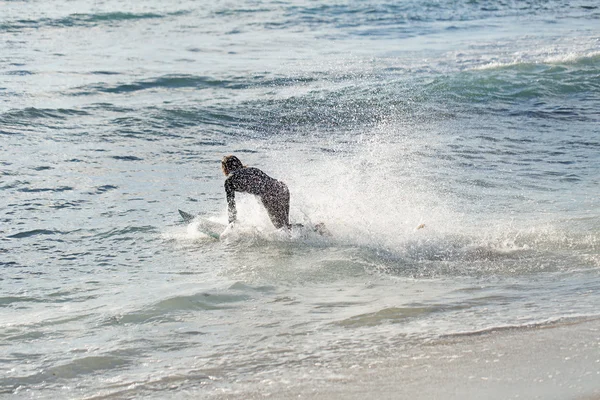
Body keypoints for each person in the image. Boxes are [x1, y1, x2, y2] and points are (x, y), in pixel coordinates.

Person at [221, 155, 291, 230]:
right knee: (286, 225)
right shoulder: (252, 170)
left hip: (269, 194)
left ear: (225, 168)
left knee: (282, 228)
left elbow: (231, 205)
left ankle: (301, 236)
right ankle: (303, 233)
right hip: (282, 188)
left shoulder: (229, 181)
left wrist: (231, 226)